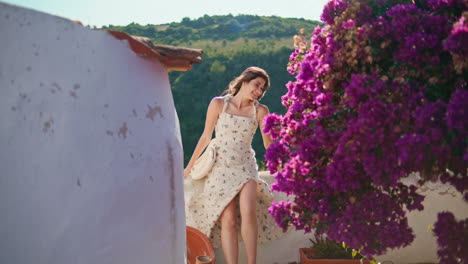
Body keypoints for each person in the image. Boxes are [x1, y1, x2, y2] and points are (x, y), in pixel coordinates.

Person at [184, 66, 281, 264]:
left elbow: (267, 143)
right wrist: (189, 166)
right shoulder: (219, 104)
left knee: (248, 211)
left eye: (262, 89)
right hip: (220, 165)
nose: (259, 91)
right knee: (227, 219)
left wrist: (279, 166)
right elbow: (205, 137)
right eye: (256, 85)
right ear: (244, 82)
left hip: (245, 164)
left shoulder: (260, 110)